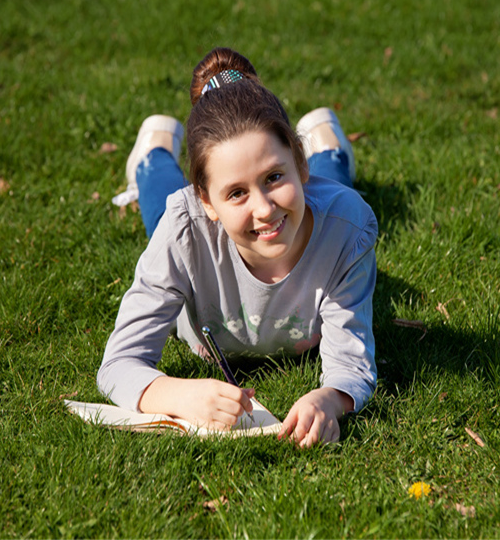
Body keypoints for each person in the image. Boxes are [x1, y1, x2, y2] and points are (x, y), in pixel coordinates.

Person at [98, 47, 377, 448]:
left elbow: (352, 362)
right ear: (206, 202)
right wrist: (178, 394)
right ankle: (154, 152)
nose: (263, 208)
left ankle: (329, 149)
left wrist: (329, 400)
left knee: (328, 197)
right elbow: (118, 364)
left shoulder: (347, 230)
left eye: (274, 175)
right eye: (236, 193)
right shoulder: (184, 229)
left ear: (299, 163)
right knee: (160, 212)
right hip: (184, 220)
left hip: (321, 194)